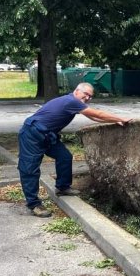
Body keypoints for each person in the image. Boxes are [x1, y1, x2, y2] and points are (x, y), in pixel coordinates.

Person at [18, 82, 132, 217]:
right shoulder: (71, 101)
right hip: (32, 134)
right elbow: (98, 113)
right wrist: (121, 118)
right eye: (86, 94)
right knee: (30, 168)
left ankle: (63, 187)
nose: (88, 98)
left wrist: (114, 121)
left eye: (90, 96)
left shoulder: (74, 103)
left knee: (64, 157)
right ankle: (34, 204)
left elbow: (94, 117)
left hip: (47, 135)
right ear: (77, 91)